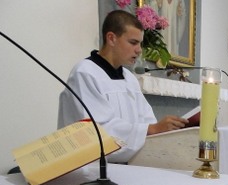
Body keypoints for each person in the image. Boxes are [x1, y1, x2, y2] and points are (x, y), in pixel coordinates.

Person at [58, 10, 188, 164]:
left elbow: (147, 120)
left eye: (140, 44)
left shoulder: (129, 78)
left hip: (128, 166)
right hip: (92, 168)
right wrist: (150, 129)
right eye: (133, 43)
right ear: (111, 38)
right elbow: (96, 131)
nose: (139, 50)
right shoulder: (85, 73)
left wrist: (163, 129)